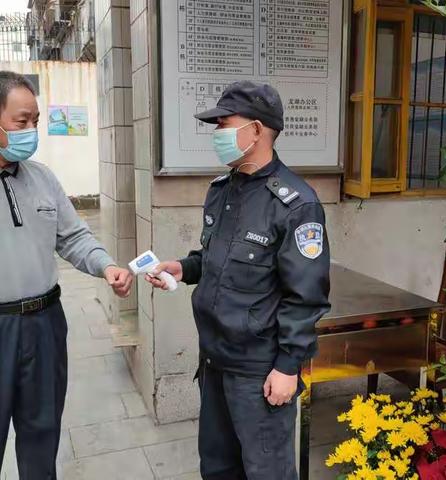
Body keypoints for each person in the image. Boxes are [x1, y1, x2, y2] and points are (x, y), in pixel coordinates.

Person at [146, 80, 331, 480]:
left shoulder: (297, 205)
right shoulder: (221, 190)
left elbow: (307, 296)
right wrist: (184, 267)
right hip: (214, 361)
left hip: (259, 372)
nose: (217, 135)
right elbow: (216, 258)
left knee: (267, 472)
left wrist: (287, 366)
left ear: (257, 130)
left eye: (224, 125)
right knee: (217, 467)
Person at [0, 71, 133, 479]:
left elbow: (74, 236)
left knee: (42, 436)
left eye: (35, 121)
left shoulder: (42, 179)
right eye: (21, 122)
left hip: (44, 326)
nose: (31, 131)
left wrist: (106, 265)